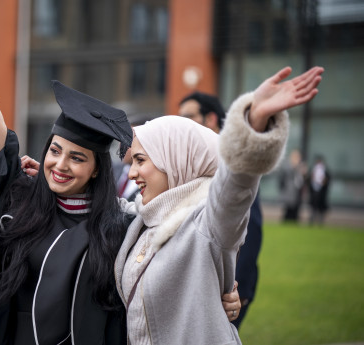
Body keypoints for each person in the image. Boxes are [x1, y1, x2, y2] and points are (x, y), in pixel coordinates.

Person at [0, 2, 240, 344]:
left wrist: (222, 295)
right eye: (55, 152)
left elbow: (178, 269)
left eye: (77, 158)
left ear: (95, 171)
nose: (60, 165)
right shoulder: (18, 201)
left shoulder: (121, 228)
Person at [116, 66, 323, 344]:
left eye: (141, 160)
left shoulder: (206, 225)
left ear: (174, 160)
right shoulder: (139, 219)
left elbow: (235, 189)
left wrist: (253, 123)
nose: (131, 173)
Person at [179, 90, 263, 329]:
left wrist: (239, 290)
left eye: (188, 116)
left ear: (211, 119)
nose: (181, 123)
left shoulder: (231, 163)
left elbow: (251, 228)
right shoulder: (190, 159)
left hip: (227, 295)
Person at [278, 149, 306, 222]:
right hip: (289, 192)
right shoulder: (288, 165)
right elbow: (283, 178)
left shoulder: (301, 166)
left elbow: (303, 180)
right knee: (288, 210)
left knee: (296, 210)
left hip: (298, 193)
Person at [308, 155, 330, 225]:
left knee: (321, 209)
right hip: (314, 193)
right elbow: (309, 180)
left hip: (322, 193)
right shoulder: (313, 170)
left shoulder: (326, 171)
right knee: (313, 208)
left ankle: (321, 221)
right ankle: (312, 220)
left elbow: (327, 180)